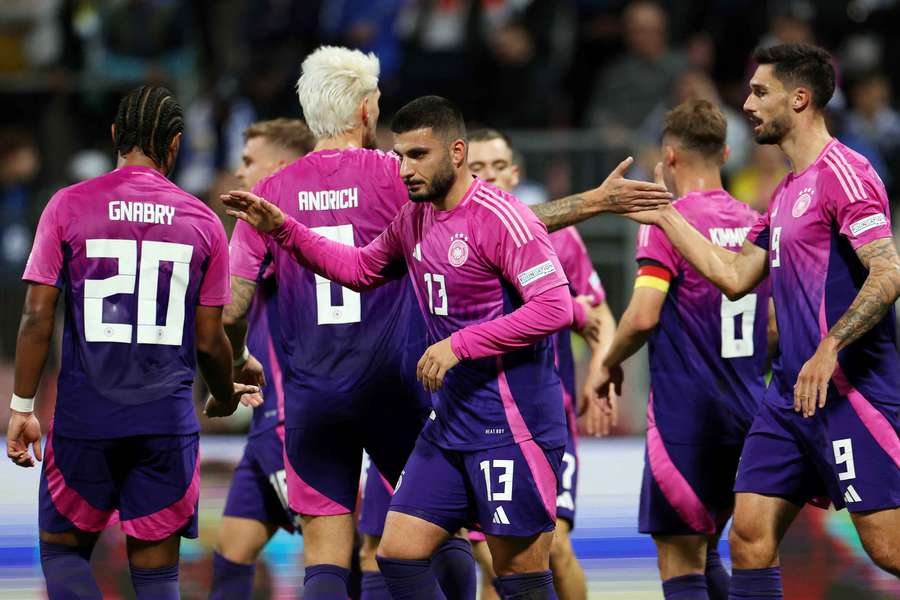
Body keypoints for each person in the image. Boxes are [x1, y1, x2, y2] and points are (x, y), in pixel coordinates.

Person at [223, 45, 670, 599]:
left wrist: (236, 360)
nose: (405, 163)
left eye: (415, 154)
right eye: (397, 144)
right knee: (422, 547)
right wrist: (590, 202)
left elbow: (235, 306)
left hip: (377, 403)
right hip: (419, 397)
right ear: (366, 111)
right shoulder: (404, 193)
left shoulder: (274, 193)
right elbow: (398, 253)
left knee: (360, 561)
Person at [617, 44, 900, 596]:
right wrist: (665, 215)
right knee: (748, 535)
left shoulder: (847, 173)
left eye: (759, 91)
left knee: (887, 546)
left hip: (850, 392)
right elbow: (732, 273)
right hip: (789, 398)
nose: (747, 104)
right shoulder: (785, 192)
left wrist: (830, 347)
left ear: (799, 99)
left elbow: (888, 273)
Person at [5, 85, 257, 600]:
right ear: (176, 145)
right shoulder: (204, 221)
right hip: (164, 425)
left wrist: (22, 405)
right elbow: (210, 342)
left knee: (63, 554)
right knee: (156, 580)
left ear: (117, 135)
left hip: (84, 420)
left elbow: (36, 316)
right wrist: (224, 396)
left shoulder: (68, 205)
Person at [594, 99, 771, 600]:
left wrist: (606, 364)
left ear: (668, 157)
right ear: (728, 152)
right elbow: (773, 325)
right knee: (717, 547)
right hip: (748, 413)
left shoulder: (666, 220)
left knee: (680, 559)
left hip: (685, 419)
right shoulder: (755, 223)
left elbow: (644, 314)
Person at [466, 127, 616, 600]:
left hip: (546, 417)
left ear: (514, 172)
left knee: (555, 548)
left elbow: (600, 316)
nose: (488, 177)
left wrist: (598, 371)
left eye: (497, 167)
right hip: (476, 417)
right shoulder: (455, 236)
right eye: (476, 169)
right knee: (495, 556)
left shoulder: (559, 237)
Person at [209, 119, 316, 599]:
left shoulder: (277, 228)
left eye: (249, 161)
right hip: (264, 421)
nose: (239, 171)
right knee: (231, 555)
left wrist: (233, 364)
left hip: (288, 418)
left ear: (280, 167)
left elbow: (230, 313)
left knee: (336, 553)